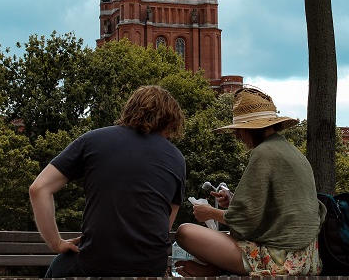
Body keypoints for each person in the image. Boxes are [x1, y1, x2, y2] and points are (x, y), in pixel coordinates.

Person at [29, 85, 186, 277]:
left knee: (60, 266)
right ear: (170, 121)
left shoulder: (93, 140)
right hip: (150, 268)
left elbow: (39, 188)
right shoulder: (177, 158)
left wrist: (56, 243)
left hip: (94, 263)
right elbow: (164, 224)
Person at [175, 87, 324, 276]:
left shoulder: (263, 153)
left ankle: (217, 269)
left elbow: (246, 220)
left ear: (251, 129)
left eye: (239, 131)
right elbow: (276, 211)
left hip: (280, 260)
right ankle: (216, 269)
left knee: (185, 232)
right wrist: (233, 201)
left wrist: (210, 212)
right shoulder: (292, 152)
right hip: (307, 258)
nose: (238, 136)